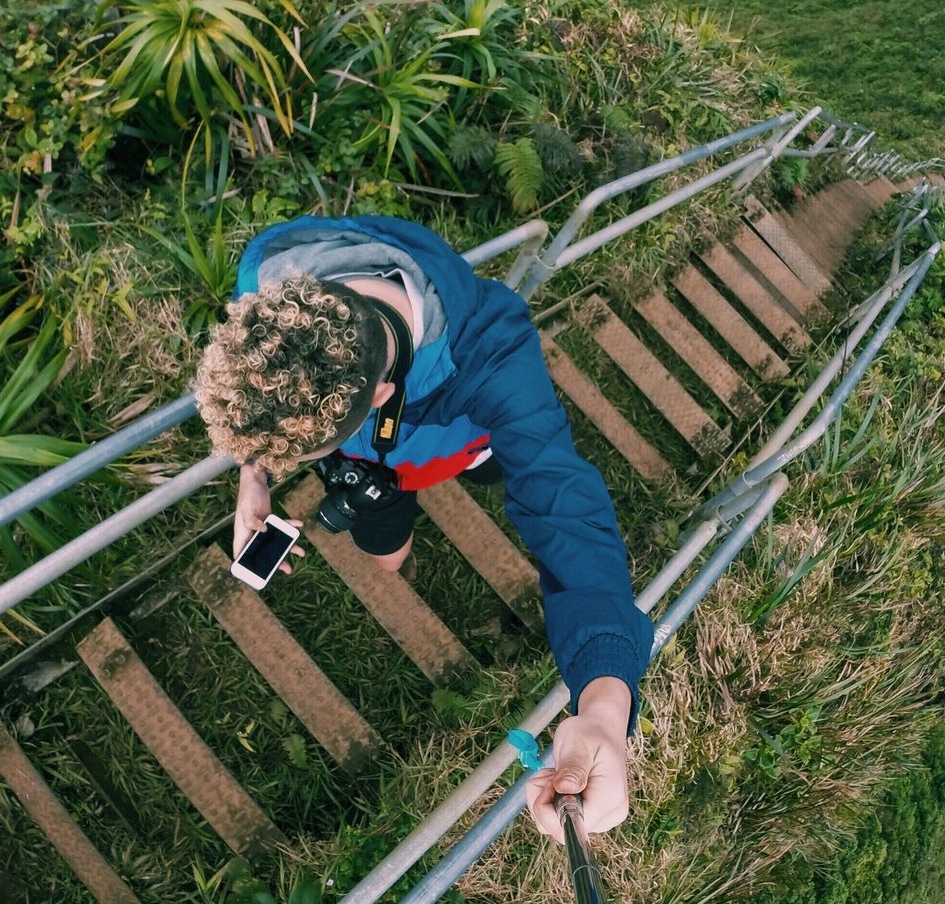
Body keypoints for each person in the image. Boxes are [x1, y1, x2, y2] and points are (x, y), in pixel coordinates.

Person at [192, 214, 653, 844]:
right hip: (370, 466)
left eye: (291, 458)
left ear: (382, 396)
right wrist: (254, 478)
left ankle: (475, 469)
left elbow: (564, 510)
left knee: (500, 474)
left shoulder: (494, 355)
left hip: (462, 444)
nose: (282, 467)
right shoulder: (270, 274)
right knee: (387, 561)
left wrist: (604, 703)